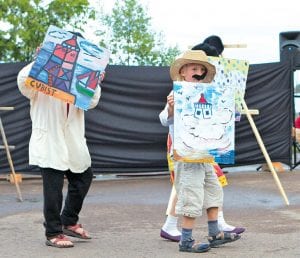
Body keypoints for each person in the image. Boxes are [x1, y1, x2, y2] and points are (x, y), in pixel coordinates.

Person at [17, 32, 104, 248]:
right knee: (53, 187)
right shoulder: (41, 74)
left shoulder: (80, 77)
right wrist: (41, 60)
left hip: (73, 140)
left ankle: (69, 221)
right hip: (49, 140)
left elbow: (91, 102)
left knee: (84, 177)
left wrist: (94, 80)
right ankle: (53, 232)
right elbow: (22, 82)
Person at [160, 40, 244, 244]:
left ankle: (214, 231)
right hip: (187, 154)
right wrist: (171, 109)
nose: (198, 72)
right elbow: (164, 119)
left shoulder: (210, 93)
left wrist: (232, 106)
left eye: (201, 69)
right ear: (182, 72)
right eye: (194, 69)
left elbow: (225, 119)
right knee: (190, 194)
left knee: (214, 189)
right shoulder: (177, 93)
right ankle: (186, 239)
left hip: (206, 152)